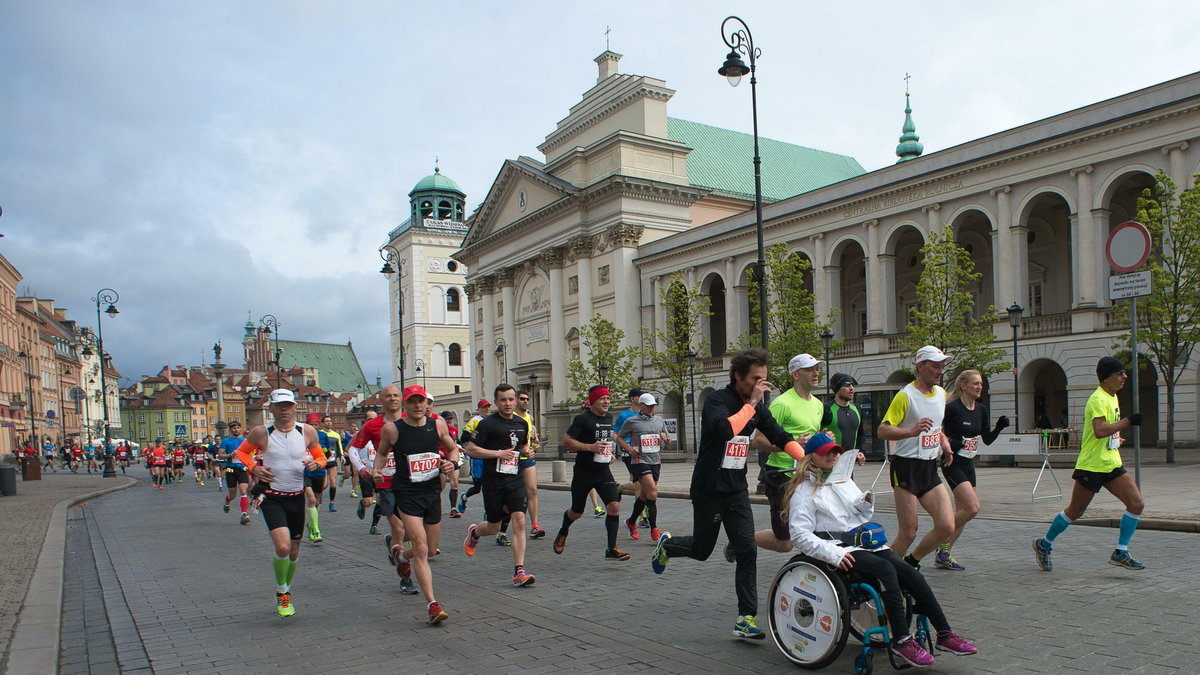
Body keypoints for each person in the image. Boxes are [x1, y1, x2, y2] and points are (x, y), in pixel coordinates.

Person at [787, 433, 978, 667]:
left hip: (863, 543)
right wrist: (834, 554)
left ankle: (945, 634)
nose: (833, 455)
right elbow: (799, 535)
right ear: (811, 456)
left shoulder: (843, 480)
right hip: (836, 549)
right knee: (885, 570)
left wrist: (865, 501)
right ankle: (902, 640)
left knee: (911, 573)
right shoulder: (804, 491)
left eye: (836, 451)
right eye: (827, 452)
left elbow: (861, 514)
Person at [650, 348, 803, 640]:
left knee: (747, 549)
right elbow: (724, 430)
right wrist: (753, 404)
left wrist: (806, 457)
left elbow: (780, 436)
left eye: (764, 379)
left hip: (735, 490)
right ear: (737, 376)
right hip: (708, 489)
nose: (761, 385)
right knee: (702, 550)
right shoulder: (717, 401)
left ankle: (746, 618)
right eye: (755, 379)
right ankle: (667, 546)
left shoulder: (758, 407)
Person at [1033, 356, 1147, 571]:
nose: (1124, 376)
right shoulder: (1098, 399)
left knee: (1136, 503)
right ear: (1106, 377)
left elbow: (1106, 432)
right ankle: (1044, 544)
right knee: (1074, 512)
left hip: (1111, 463)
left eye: (1124, 373)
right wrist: (1128, 421)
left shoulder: (1112, 397)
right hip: (1092, 466)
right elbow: (1099, 430)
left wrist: (1116, 438)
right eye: (1119, 373)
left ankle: (1120, 551)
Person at [235, 389, 326, 617]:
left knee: (294, 552)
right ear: (272, 409)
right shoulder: (261, 432)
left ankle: (288, 586)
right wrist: (254, 467)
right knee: (283, 546)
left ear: (295, 407)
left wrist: (318, 464)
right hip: (272, 496)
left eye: (288, 405)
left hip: (296, 497)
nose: (284, 409)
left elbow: (320, 456)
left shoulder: (306, 431)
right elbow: (242, 453)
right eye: (279, 406)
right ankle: (282, 592)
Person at [375, 385, 460, 623]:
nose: (417, 405)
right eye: (412, 401)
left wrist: (451, 463)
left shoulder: (438, 425)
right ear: (405, 404)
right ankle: (432, 604)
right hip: (406, 493)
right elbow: (382, 453)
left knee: (431, 550)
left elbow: (452, 449)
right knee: (421, 547)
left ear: (426, 403)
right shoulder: (392, 429)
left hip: (432, 491)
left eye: (421, 401)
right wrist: (376, 470)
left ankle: (401, 557)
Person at [877, 345, 956, 570]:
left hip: (929, 468)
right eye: (935, 366)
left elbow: (934, 426)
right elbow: (882, 431)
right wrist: (910, 432)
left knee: (946, 526)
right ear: (921, 367)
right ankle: (882, 572)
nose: (940, 371)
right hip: (905, 468)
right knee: (909, 532)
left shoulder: (941, 393)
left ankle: (911, 563)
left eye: (942, 366)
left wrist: (944, 442)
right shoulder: (905, 396)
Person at [462, 384, 537, 587]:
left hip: (514, 478)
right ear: (496, 402)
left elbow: (522, 447)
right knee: (494, 526)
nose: (508, 403)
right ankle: (475, 533)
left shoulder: (522, 423)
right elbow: (471, 449)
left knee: (520, 522)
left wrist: (527, 452)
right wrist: (497, 453)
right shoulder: (487, 424)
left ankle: (519, 571)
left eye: (511, 399)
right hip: (493, 481)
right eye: (503, 400)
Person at [751, 353, 826, 555]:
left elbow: (811, 439)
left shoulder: (818, 404)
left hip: (806, 472)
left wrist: (824, 439)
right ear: (795, 374)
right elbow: (758, 440)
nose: (816, 373)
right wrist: (789, 444)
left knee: (815, 526)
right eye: (809, 369)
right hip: (781, 474)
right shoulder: (782, 403)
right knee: (784, 543)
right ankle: (742, 538)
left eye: (817, 369)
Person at [937, 369, 1008, 570]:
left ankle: (944, 552)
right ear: (963, 386)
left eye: (981, 384)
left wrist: (999, 427)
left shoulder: (981, 410)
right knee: (972, 508)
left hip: (969, 464)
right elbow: (938, 433)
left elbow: (986, 439)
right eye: (975, 383)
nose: (979, 387)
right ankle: (938, 537)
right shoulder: (951, 408)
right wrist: (952, 442)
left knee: (964, 512)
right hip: (952, 463)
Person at [553, 385, 630, 561]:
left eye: (608, 399)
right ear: (593, 401)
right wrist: (590, 447)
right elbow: (567, 441)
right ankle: (564, 530)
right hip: (583, 472)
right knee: (577, 512)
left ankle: (611, 548)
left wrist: (608, 453)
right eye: (603, 399)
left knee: (614, 506)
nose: (607, 402)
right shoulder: (582, 419)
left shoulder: (609, 417)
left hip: (603, 471)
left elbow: (603, 442)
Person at [614, 393, 670, 542]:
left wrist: (666, 439)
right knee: (652, 492)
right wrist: (629, 448)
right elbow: (618, 437)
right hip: (639, 460)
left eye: (653, 406)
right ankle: (654, 529)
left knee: (645, 496)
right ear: (641, 405)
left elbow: (667, 440)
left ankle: (631, 522)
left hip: (655, 460)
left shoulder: (659, 420)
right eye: (649, 405)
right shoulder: (631, 421)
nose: (652, 408)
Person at [614, 388, 649, 529]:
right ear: (632, 399)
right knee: (640, 484)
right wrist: (625, 446)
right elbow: (615, 434)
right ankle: (642, 517)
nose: (641, 399)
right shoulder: (624, 416)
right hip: (630, 453)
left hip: (645, 453)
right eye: (639, 396)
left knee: (643, 484)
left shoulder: (645, 414)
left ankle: (621, 486)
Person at [514, 390, 545, 538]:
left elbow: (533, 437)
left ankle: (535, 525)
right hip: (511, 460)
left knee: (532, 490)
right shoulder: (510, 417)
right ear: (515, 400)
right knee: (511, 496)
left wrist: (535, 443)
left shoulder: (529, 417)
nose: (525, 401)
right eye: (522, 399)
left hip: (527, 458)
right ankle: (500, 527)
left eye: (527, 399)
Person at [455, 399, 492, 515]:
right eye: (484, 407)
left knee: (488, 487)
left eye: (488, 407)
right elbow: (464, 437)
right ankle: (464, 497)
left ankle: (488, 512)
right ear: (479, 409)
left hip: (489, 457)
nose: (487, 409)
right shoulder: (475, 420)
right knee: (477, 487)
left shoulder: (492, 421)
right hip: (477, 459)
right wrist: (470, 449)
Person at [824, 373, 868, 465]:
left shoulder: (857, 409)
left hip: (848, 467)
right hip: (829, 466)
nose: (851, 388)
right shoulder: (826, 409)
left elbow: (861, 434)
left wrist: (861, 452)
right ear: (837, 388)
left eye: (853, 385)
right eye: (847, 385)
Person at [301, 413, 328, 542]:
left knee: (316, 502)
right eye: (310, 424)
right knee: (311, 499)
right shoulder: (300, 437)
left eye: (315, 424)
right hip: (305, 472)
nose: (313, 426)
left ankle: (312, 523)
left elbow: (326, 456)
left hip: (319, 472)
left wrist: (326, 474)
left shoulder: (323, 436)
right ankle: (316, 531)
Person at [220, 421, 253, 524]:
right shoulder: (226, 441)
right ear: (231, 430)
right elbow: (220, 455)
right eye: (234, 428)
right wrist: (231, 455)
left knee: (243, 491)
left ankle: (244, 514)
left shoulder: (245, 441)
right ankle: (227, 501)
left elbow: (250, 453)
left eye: (238, 428)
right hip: (230, 469)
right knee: (232, 495)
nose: (236, 430)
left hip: (242, 469)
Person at [320, 415, 343, 512]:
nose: (329, 423)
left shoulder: (336, 435)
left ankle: (331, 503)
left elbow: (339, 446)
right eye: (327, 421)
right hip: (322, 461)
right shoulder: (320, 433)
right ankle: (319, 496)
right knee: (324, 485)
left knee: (333, 483)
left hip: (332, 461)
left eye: (330, 421)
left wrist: (341, 456)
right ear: (323, 423)